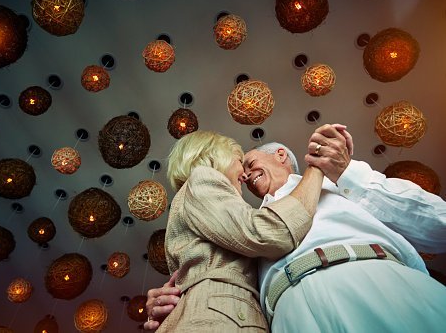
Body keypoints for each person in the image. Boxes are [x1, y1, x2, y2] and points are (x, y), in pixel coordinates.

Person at [146, 124, 446, 332]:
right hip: (286, 316)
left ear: (280, 155)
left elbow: (439, 227)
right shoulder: (246, 224)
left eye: (249, 162)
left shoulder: (338, 182)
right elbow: (220, 279)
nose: (247, 174)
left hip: (375, 281)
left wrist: (343, 172)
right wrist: (179, 298)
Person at [156, 129, 328, 332]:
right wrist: (317, 169)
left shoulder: (205, 206)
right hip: (220, 318)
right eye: (239, 161)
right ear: (216, 156)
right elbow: (268, 233)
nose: (245, 174)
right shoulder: (202, 178)